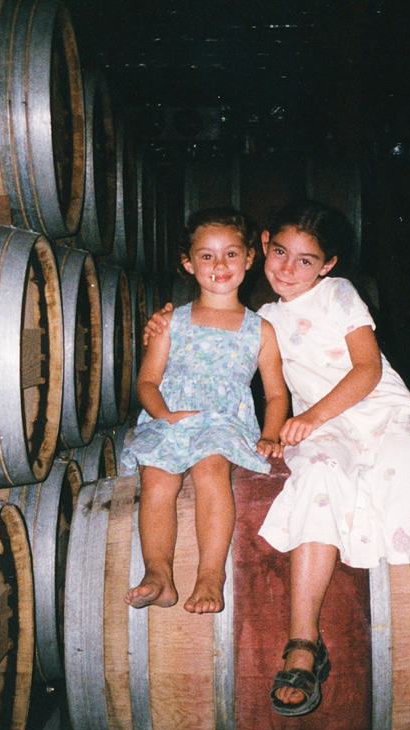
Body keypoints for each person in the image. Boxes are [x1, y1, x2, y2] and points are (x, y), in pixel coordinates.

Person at [144, 199, 410, 730]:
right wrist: (162, 324)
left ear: (328, 265)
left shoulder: (340, 296)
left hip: (377, 415)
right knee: (317, 479)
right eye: (281, 252)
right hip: (319, 430)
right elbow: (232, 362)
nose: (288, 268)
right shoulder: (260, 321)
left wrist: (309, 418)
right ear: (263, 246)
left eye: (306, 260)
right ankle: (303, 646)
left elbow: (367, 369)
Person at [121, 207, 289, 615]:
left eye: (231, 254)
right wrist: (163, 415)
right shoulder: (171, 323)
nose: (219, 265)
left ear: (250, 259)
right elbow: (146, 381)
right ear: (188, 263)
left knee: (211, 468)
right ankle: (158, 573)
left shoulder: (260, 328)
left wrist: (269, 434)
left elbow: (276, 393)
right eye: (206, 255)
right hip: (171, 417)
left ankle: (211, 574)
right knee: (157, 479)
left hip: (224, 422)